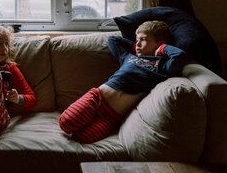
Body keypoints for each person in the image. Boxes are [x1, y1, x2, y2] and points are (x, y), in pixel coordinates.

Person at [58, 20, 187, 144]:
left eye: (143, 40)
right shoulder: (129, 57)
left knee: (83, 138)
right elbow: (113, 40)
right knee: (66, 123)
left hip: (111, 117)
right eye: (137, 41)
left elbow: (180, 56)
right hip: (96, 99)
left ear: (159, 43)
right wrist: (134, 46)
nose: (138, 45)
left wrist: (162, 48)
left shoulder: (162, 67)